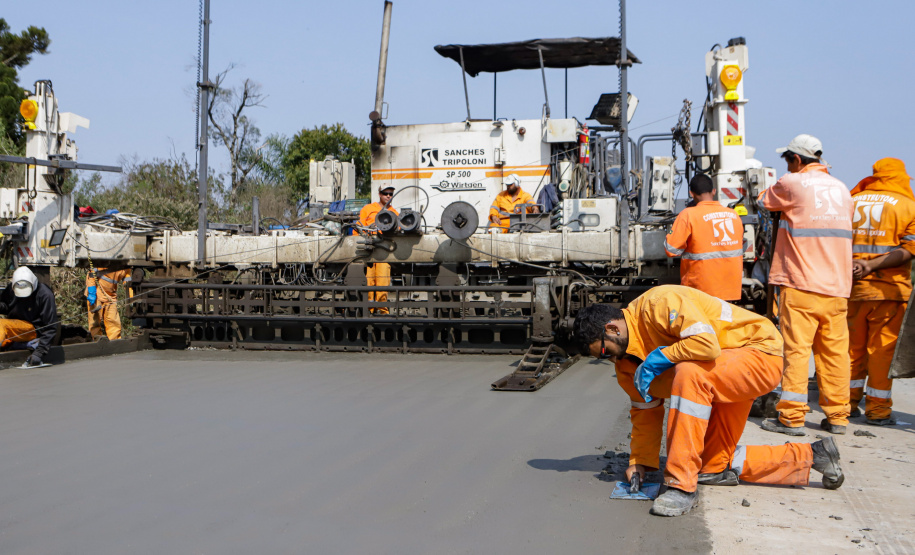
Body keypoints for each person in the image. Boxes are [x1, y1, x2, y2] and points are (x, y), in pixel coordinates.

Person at [574, 285, 845, 517]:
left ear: (612, 328)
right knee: (711, 466)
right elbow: (645, 412)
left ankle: (682, 486)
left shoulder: (658, 303)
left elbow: (706, 345)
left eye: (602, 351)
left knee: (688, 373)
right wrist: (640, 461)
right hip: (721, 373)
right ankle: (814, 456)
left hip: (757, 352)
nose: (607, 359)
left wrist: (662, 357)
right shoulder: (626, 366)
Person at [757, 134, 854, 436]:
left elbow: (762, 201)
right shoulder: (842, 190)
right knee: (834, 353)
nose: (787, 165)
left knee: (797, 351)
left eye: (787, 159)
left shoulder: (792, 182)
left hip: (801, 284)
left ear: (797, 160)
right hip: (837, 287)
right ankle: (838, 417)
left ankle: (791, 417)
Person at [847, 158, 915, 425]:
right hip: (889, 292)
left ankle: (845, 404)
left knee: (851, 350)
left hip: (852, 289)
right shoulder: (908, 205)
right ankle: (877, 410)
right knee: (881, 352)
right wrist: (873, 265)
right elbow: (909, 249)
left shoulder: (852, 201)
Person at [664, 174, 744, 301]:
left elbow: (671, 250)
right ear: (714, 191)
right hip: (730, 289)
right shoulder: (733, 215)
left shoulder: (688, 215)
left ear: (691, 193)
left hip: (700, 290)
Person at [0, 266, 58, 367]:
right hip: (15, 328)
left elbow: (51, 327)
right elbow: (5, 306)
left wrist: (39, 353)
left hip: (33, 329)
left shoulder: (44, 294)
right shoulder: (11, 289)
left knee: (2, 325)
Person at [358, 185, 399, 314]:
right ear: (379, 194)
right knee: (369, 280)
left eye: (390, 194)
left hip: (384, 250)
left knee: (382, 279)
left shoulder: (394, 212)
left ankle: (382, 309)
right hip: (369, 249)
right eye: (385, 193)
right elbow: (358, 226)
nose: (388, 196)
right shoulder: (368, 209)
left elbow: (398, 230)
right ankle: (369, 309)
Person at [85, 267, 133, 340]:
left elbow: (128, 284)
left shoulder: (125, 267)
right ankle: (95, 342)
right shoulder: (105, 262)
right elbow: (91, 275)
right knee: (94, 323)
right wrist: (92, 292)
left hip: (111, 297)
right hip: (96, 294)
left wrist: (132, 298)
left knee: (113, 322)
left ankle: (115, 343)